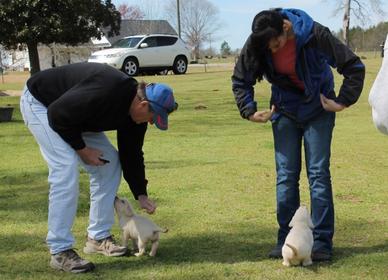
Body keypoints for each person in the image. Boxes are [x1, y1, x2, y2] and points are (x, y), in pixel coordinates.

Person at [232, 8, 365, 261]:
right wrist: (248, 110)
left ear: (286, 27)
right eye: (269, 49)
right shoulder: (259, 40)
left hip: (318, 108)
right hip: (283, 110)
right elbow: (241, 79)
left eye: (276, 45)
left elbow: (354, 66)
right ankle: (287, 239)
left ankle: (322, 242)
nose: (273, 51)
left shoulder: (315, 34)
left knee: (318, 175)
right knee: (285, 177)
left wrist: (343, 101)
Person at [20, 62, 178, 273]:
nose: (150, 123)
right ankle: (60, 251)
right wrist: (82, 149)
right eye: (152, 118)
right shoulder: (107, 89)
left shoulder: (134, 116)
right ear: (143, 105)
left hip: (75, 116)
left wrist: (140, 193)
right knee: (65, 167)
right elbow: (58, 114)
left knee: (110, 163)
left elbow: (131, 153)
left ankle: (97, 237)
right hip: (42, 103)